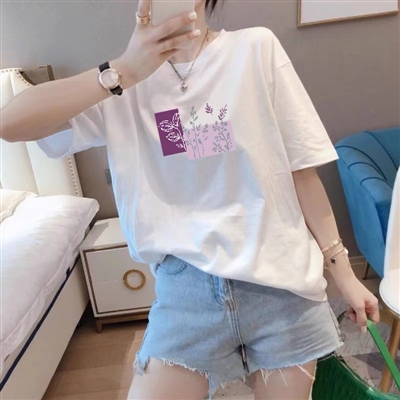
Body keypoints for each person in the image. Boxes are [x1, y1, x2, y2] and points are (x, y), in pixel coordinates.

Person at [2, 0, 380, 399]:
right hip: (187, 294)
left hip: (281, 286)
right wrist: (122, 71)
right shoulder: (121, 84)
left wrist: (345, 275)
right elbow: (10, 123)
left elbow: (301, 170)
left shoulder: (255, 49)